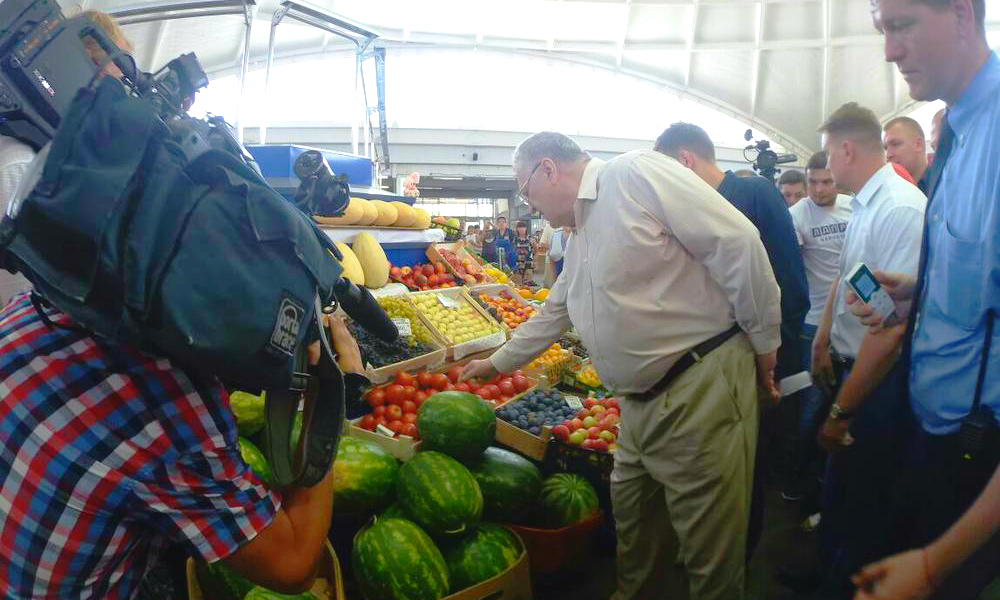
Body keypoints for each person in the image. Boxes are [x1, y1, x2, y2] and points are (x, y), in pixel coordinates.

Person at [463, 131, 782, 600]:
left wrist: (765, 343)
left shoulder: (634, 173)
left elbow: (737, 242)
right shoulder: (580, 232)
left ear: (548, 169)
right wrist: (495, 363)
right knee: (636, 527)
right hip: (637, 403)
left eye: (526, 191)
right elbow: (558, 309)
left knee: (708, 545)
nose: (529, 206)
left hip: (698, 385)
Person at [846, 0, 1000, 597]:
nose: (889, 50)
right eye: (882, 29)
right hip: (932, 437)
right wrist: (921, 295)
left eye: (903, 24)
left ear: (962, 13)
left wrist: (939, 562)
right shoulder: (959, 129)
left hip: (976, 471)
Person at [654, 122, 811, 559]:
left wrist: (769, 350)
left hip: (763, 355)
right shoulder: (692, 208)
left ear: (685, 160)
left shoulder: (754, 194)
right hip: (712, 362)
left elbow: (789, 282)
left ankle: (740, 555)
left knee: (750, 463)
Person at [804, 102, 926, 597]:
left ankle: (845, 584)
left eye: (830, 156)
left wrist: (841, 410)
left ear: (847, 149)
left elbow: (891, 330)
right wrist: (821, 336)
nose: (827, 167)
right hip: (848, 364)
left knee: (864, 504)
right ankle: (822, 575)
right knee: (839, 492)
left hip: (875, 383)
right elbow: (846, 276)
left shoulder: (899, 208)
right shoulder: (867, 203)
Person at [780, 150, 853, 502]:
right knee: (811, 404)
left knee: (847, 400)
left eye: (826, 181)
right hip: (813, 323)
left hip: (853, 320)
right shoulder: (796, 215)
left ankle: (830, 477)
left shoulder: (855, 207)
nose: (819, 189)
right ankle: (797, 479)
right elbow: (789, 267)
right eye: (813, 182)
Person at [882, 116, 930, 193]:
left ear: (918, 145)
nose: (888, 155)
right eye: (885, 148)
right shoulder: (891, 191)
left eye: (895, 144)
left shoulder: (944, 185)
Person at [513, 220, 535, 285]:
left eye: (523, 227)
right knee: (518, 284)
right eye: (519, 227)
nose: (521, 229)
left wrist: (535, 260)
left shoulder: (530, 239)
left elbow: (536, 249)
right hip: (517, 263)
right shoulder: (514, 239)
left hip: (528, 262)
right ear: (517, 229)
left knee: (527, 283)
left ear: (526, 228)